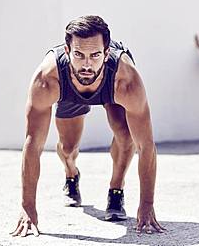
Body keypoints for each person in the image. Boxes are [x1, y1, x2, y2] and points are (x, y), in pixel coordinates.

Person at [11, 15, 165, 237]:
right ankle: (71, 174)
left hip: (109, 87)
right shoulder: (47, 80)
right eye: (78, 55)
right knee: (67, 148)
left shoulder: (126, 80)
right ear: (66, 51)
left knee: (125, 136)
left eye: (95, 55)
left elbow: (146, 146)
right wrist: (27, 208)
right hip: (68, 90)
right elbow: (33, 144)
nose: (86, 64)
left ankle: (116, 189)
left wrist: (147, 204)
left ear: (106, 52)